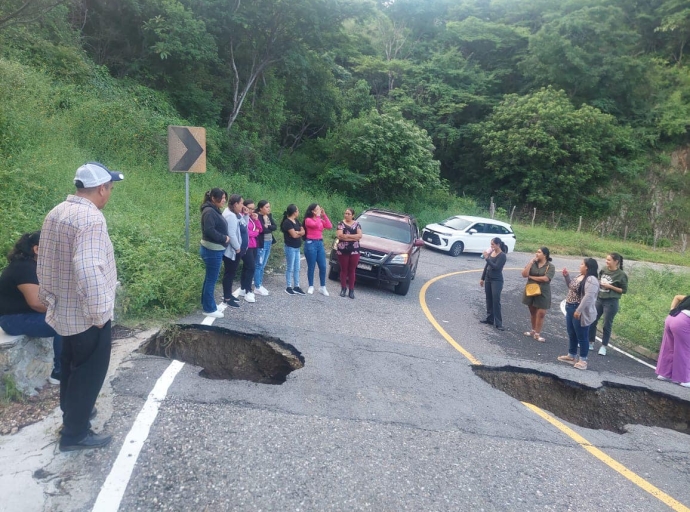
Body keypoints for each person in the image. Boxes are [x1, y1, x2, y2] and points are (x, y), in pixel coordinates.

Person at [37, 161, 123, 451]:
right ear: (101, 188)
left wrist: (49, 297)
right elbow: (88, 269)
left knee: (71, 368)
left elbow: (44, 262)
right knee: (88, 373)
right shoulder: (91, 219)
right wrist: (100, 315)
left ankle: (74, 413)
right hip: (87, 315)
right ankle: (75, 434)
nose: (109, 194)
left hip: (65, 311)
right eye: (110, 188)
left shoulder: (57, 212)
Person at [0, 231, 62, 385]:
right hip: (13, 319)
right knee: (64, 324)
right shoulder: (24, 268)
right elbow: (37, 303)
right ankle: (60, 372)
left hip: (24, 315)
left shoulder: (33, 266)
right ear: (37, 249)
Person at [558, 258, 600, 370]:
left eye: (582, 264)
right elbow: (571, 287)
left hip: (579, 309)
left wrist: (579, 310)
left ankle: (583, 360)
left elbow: (588, 297)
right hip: (570, 307)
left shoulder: (591, 280)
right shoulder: (579, 276)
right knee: (572, 332)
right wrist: (566, 277)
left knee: (582, 336)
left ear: (587, 267)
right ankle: (571, 355)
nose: (580, 265)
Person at [588, 252, 628, 355]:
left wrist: (610, 287)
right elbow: (599, 279)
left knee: (607, 324)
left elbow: (623, 290)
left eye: (609, 260)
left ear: (616, 262)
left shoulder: (621, 275)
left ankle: (604, 346)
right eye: (606, 259)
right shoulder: (604, 270)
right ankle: (590, 342)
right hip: (600, 299)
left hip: (611, 301)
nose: (607, 262)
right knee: (592, 320)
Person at [199, 188, 230, 317]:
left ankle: (208, 303)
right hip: (212, 250)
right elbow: (209, 231)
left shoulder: (213, 209)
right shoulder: (209, 211)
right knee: (211, 280)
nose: (224, 200)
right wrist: (224, 238)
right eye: (222, 198)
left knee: (210, 279)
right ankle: (209, 309)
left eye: (224, 198)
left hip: (215, 249)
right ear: (213, 198)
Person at [521, 247, 555, 343]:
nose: (536, 253)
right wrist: (531, 262)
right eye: (537, 252)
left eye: (539, 252)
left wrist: (531, 277)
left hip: (543, 291)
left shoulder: (550, 266)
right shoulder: (533, 264)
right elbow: (524, 274)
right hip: (531, 290)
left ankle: (537, 333)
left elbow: (546, 279)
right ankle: (533, 330)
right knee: (532, 311)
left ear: (545, 255)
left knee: (541, 313)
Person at [656, 295, 690, 387]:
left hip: (672, 317)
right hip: (684, 321)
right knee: (685, 350)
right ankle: (684, 379)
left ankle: (664, 374)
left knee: (669, 347)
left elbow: (677, 297)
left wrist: (672, 309)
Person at [234, 199, 261, 303]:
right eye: (249, 208)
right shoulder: (241, 216)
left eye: (253, 208)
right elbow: (245, 232)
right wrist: (256, 232)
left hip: (253, 245)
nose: (251, 210)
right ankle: (248, 290)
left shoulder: (251, 217)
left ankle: (243, 288)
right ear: (244, 207)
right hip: (246, 246)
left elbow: (260, 229)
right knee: (251, 267)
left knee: (247, 267)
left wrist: (257, 220)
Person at [303, 203, 333, 296]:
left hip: (319, 243)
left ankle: (322, 286)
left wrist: (324, 215)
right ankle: (311, 285)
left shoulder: (320, 219)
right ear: (313, 211)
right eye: (318, 209)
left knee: (323, 266)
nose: (320, 210)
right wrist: (319, 217)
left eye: (320, 208)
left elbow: (329, 226)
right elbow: (315, 225)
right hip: (311, 243)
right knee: (311, 265)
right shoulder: (308, 220)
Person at [479, 237, 508, 331]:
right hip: (488, 278)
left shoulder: (502, 256)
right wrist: (482, 278)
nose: (491, 246)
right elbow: (486, 266)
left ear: (498, 245)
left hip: (496, 280)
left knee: (496, 300)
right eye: (491, 244)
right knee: (489, 299)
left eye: (493, 244)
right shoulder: (492, 252)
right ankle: (490, 318)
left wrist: (487, 258)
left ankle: (499, 323)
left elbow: (496, 267)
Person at [222, 194, 243, 309]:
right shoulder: (230, 216)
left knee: (230, 273)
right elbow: (231, 234)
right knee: (229, 274)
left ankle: (228, 294)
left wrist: (243, 213)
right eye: (241, 204)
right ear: (235, 204)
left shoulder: (232, 213)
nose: (242, 206)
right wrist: (237, 247)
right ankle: (227, 298)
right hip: (231, 250)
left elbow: (242, 222)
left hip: (231, 249)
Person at [335, 207, 362, 299]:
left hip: (354, 250)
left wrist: (347, 236)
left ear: (353, 215)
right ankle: (343, 288)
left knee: (352, 270)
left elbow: (359, 236)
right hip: (343, 250)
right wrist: (352, 237)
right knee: (344, 270)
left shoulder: (357, 224)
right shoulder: (340, 224)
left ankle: (351, 290)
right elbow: (340, 236)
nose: (346, 215)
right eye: (345, 213)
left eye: (348, 214)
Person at [281, 204, 306, 296]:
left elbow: (303, 231)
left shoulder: (296, 221)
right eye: (298, 210)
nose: (298, 212)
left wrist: (298, 232)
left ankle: (296, 286)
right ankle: (288, 286)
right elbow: (294, 235)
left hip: (297, 247)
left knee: (297, 268)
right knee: (290, 267)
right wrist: (298, 233)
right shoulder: (287, 222)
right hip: (290, 247)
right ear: (294, 212)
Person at [254, 200, 277, 296]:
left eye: (269, 206)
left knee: (263, 264)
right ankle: (257, 286)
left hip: (269, 241)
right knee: (259, 264)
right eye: (267, 207)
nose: (269, 209)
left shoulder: (269, 215)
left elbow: (275, 227)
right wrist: (267, 227)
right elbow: (262, 230)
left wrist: (268, 226)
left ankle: (259, 283)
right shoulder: (257, 216)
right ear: (261, 208)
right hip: (261, 243)